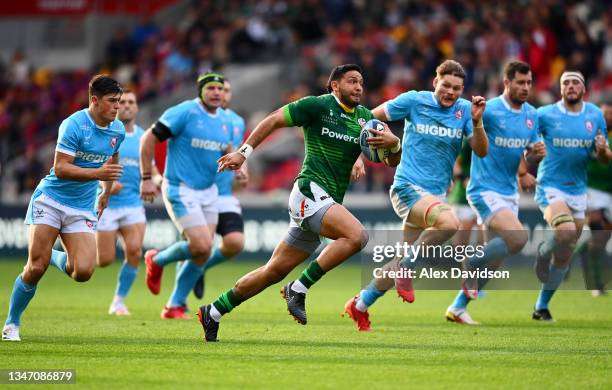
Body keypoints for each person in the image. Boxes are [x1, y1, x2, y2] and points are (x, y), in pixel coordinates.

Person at [199, 64, 401, 342]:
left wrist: (394, 144)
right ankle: (299, 287)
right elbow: (272, 120)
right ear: (334, 86)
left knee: (273, 271)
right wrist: (244, 153)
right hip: (309, 191)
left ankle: (214, 311)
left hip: (325, 201)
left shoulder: (366, 119)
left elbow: (387, 160)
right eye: (352, 81)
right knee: (357, 236)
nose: (358, 87)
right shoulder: (317, 107)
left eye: (361, 83)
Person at [344, 59, 488, 331]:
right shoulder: (414, 101)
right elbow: (367, 117)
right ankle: (406, 269)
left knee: (402, 258)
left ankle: (360, 304)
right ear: (436, 82)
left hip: (434, 196)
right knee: (450, 224)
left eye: (457, 88)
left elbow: (481, 151)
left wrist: (478, 122)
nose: (451, 92)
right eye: (446, 85)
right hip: (407, 187)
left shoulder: (466, 112)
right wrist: (359, 154)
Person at [2, 75, 125, 341]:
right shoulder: (74, 125)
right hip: (51, 201)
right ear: (94, 100)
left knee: (83, 272)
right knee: (35, 267)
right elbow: (60, 168)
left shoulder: (118, 130)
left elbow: (112, 161)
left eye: (119, 101)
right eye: (112, 101)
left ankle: (55, 257)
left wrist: (105, 191)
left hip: (81, 207)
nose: (118, 107)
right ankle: (12, 323)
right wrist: (97, 175)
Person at [445, 61, 546, 325]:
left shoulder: (531, 115)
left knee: (496, 257)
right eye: (520, 82)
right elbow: (464, 133)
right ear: (507, 83)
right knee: (518, 238)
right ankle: (471, 261)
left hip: (509, 192)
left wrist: (530, 160)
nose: (525, 87)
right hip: (483, 189)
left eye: (529, 82)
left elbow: (525, 151)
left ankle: (458, 307)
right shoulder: (489, 110)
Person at [140, 72, 232, 319]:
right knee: (201, 244)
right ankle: (157, 259)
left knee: (204, 251)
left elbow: (226, 148)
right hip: (180, 187)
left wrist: (238, 166)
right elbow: (148, 138)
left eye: (219, 89)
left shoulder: (224, 120)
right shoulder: (184, 112)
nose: (216, 92)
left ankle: (174, 305)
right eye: (210, 88)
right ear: (200, 91)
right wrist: (146, 178)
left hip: (209, 192)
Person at [533, 71, 610, 321]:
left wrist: (602, 151)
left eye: (576, 82)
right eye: (566, 82)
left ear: (583, 88)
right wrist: (530, 155)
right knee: (565, 233)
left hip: (578, 189)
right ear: (561, 88)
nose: (570, 86)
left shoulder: (595, 115)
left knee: (565, 253)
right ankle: (543, 252)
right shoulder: (544, 114)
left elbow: (605, 156)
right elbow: (529, 144)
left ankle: (541, 306)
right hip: (550, 185)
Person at [96, 90, 155, 315]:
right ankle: (74, 249)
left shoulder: (144, 137)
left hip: (132, 204)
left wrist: (157, 181)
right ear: (116, 107)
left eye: (132, 102)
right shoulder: (104, 134)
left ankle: (118, 301)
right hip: (107, 204)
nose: (127, 106)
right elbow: (90, 165)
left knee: (134, 251)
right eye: (122, 102)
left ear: (137, 107)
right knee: (104, 260)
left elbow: (152, 169)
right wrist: (105, 184)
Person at [192, 79, 248, 300]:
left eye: (226, 90)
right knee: (197, 248)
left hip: (224, 194)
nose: (222, 94)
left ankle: (200, 269)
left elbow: (241, 150)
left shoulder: (237, 121)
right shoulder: (197, 118)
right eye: (217, 89)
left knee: (235, 242)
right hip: (197, 192)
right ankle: (177, 303)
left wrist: (245, 170)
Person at [577, 102, 612, 297]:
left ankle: (580, 249)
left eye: (610, 113)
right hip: (591, 190)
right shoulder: (589, 136)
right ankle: (596, 285)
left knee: (602, 238)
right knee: (599, 232)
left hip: (610, 192)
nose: (606, 117)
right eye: (604, 113)